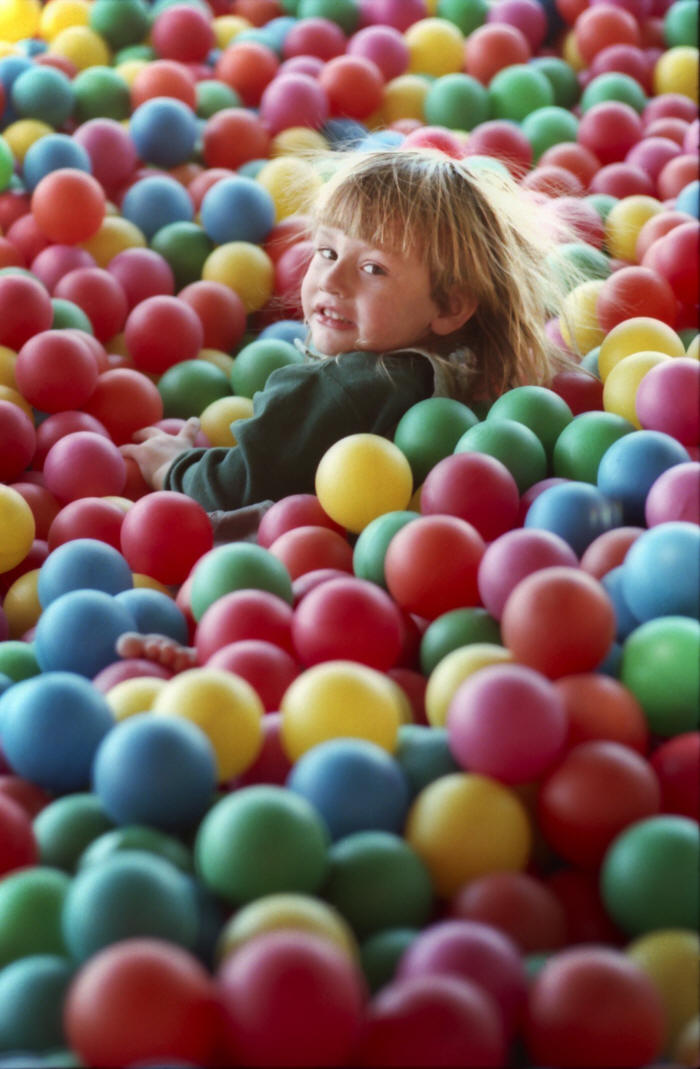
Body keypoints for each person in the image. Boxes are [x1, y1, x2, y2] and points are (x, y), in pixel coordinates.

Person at [120, 148, 575, 532]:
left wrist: (173, 465)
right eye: (327, 251)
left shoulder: (341, 387)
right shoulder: (469, 367)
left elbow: (228, 489)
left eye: (372, 268)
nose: (331, 279)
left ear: (450, 307)